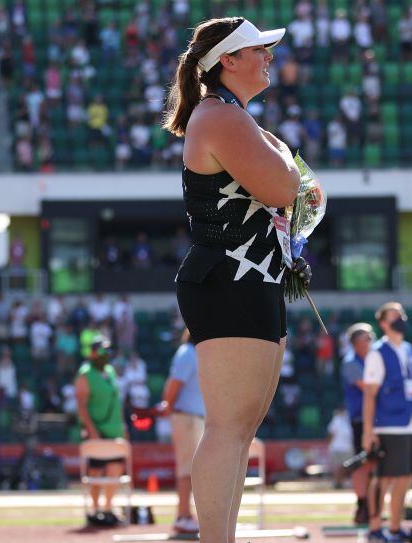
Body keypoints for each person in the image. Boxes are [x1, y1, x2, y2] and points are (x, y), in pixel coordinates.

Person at [163, 17, 301, 543]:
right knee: (228, 426)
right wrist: (288, 161)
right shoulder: (222, 116)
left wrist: (288, 166)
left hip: (251, 274)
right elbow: (286, 187)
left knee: (239, 429)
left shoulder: (231, 116)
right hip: (232, 275)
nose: (268, 55)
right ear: (228, 60)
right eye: (257, 49)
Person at [361, 303, 412, 542]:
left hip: (409, 422)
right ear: (383, 323)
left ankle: (394, 527)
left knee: (406, 477)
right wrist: (368, 431)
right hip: (388, 424)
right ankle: (373, 528)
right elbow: (370, 395)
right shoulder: (377, 352)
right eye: (394, 316)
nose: (400, 319)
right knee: (383, 478)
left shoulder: (409, 349)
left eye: (402, 314)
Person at [74, 336, 128, 526]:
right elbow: (81, 406)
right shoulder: (85, 374)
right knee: (96, 473)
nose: (106, 355)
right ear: (93, 352)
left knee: (115, 470)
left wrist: (123, 427)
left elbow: (116, 401)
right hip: (97, 431)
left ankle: (108, 508)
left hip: (114, 430)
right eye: (102, 351)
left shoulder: (110, 371)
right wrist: (91, 430)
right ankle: (95, 510)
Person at [157, 329, 205, 535]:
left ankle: (187, 514)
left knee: (193, 470)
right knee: (187, 469)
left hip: (194, 418)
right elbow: (174, 384)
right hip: (186, 417)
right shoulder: (187, 352)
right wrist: (169, 407)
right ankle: (183, 516)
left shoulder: (194, 352)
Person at [341, 322, 376, 525]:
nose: (371, 341)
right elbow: (369, 389)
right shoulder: (351, 362)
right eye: (367, 338)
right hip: (361, 420)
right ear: (356, 342)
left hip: (376, 419)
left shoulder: (372, 359)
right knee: (362, 463)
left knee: (374, 463)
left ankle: (371, 505)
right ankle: (362, 505)